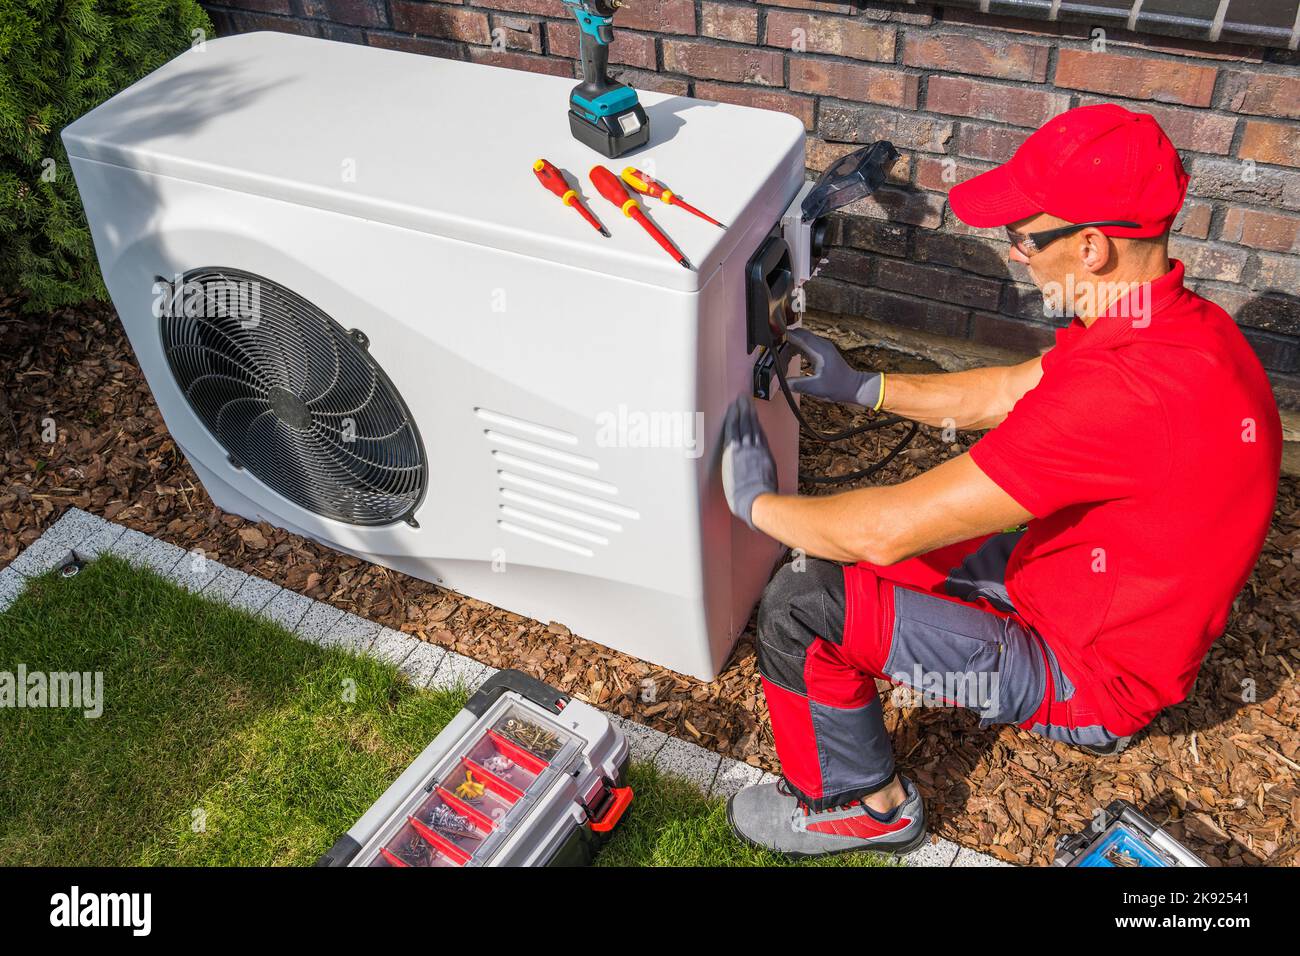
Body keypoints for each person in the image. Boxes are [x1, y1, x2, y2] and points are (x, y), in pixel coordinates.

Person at [719, 103, 1282, 858]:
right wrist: (866, 388)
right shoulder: (1178, 326)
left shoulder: (1126, 393)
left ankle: (860, 806)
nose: (1015, 255)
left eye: (1022, 237)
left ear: (1090, 248)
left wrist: (754, 504)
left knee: (800, 601)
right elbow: (1011, 390)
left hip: (1088, 672)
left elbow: (882, 531)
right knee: (840, 557)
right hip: (1088, 596)